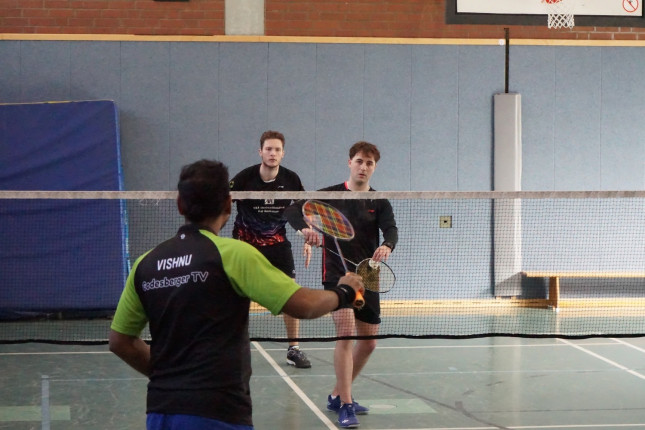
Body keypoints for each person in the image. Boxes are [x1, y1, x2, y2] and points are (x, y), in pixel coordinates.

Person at [109, 159, 364, 430]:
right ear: (229, 205)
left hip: (160, 412)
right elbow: (304, 305)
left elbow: (119, 341)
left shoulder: (145, 264)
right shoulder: (234, 255)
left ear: (180, 205)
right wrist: (344, 291)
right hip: (218, 412)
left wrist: (167, 376)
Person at [285, 141, 398, 429]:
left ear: (374, 167)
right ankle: (346, 404)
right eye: (359, 161)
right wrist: (305, 229)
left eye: (369, 163)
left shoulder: (379, 201)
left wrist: (387, 245)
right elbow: (292, 211)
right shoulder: (331, 196)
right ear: (350, 162)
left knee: (369, 343)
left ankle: (337, 395)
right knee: (346, 335)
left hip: (368, 274)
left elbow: (391, 229)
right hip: (338, 274)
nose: (363, 167)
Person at [229, 130, 312, 368]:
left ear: (283, 153)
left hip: (277, 244)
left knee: (291, 293)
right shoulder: (244, 178)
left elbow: (301, 211)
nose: (272, 153)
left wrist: (307, 236)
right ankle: (232, 346)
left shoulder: (291, 179)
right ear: (260, 152)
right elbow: (221, 203)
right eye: (268, 149)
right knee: (237, 296)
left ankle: (293, 349)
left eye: (277, 149)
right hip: (245, 244)